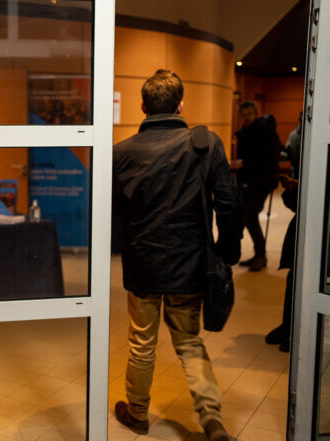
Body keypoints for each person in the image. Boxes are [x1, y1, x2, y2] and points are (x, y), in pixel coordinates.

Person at [113, 69, 243, 441]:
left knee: (142, 341)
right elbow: (229, 203)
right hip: (190, 263)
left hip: (144, 265)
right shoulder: (205, 143)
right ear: (181, 104)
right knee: (189, 341)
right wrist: (226, 253)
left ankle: (137, 413)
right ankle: (212, 421)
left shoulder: (121, 153)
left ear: (143, 106)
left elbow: (113, 210)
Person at [265, 111, 302, 352]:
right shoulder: (298, 139)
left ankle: (299, 332)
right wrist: (292, 187)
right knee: (293, 277)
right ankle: (288, 326)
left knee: (304, 279)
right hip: (302, 222)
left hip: (319, 232)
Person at [231, 101, 281, 271]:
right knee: (247, 216)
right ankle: (258, 254)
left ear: (256, 114)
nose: (246, 118)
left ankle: (261, 256)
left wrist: (243, 163)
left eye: (249, 114)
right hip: (249, 181)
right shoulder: (245, 132)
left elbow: (269, 159)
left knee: (250, 216)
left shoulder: (264, 132)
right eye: (243, 114)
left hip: (262, 181)